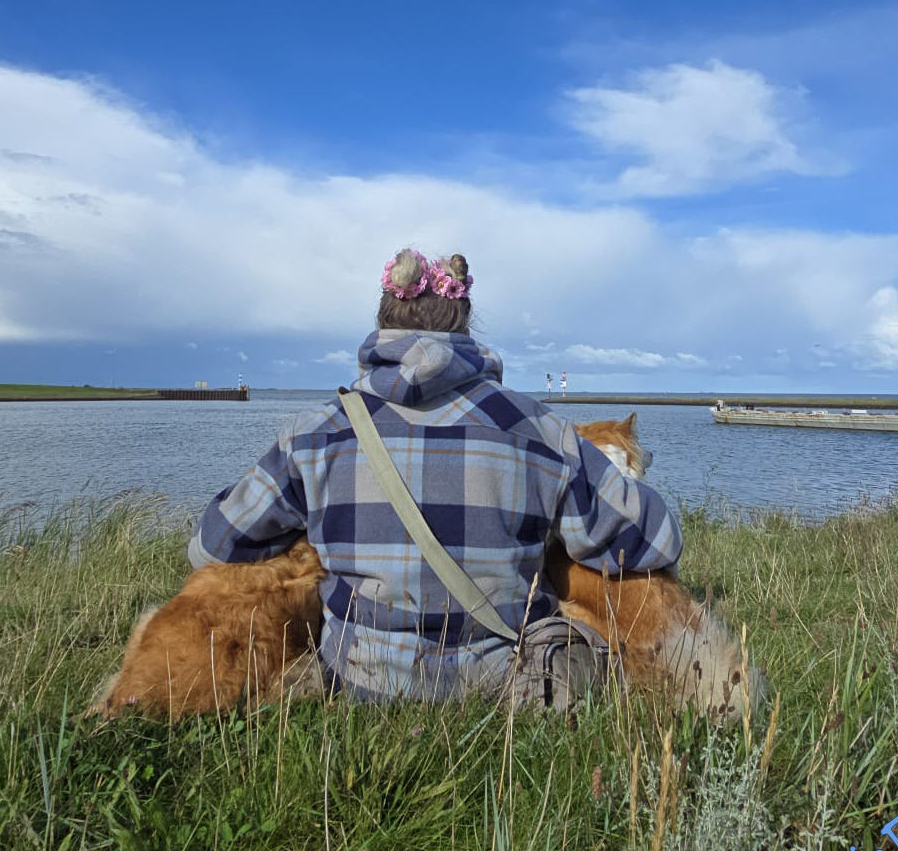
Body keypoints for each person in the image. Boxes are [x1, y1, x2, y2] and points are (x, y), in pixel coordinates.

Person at [188, 247, 682, 706]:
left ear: (382, 326)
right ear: (466, 328)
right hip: (501, 680)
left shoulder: (313, 433)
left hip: (359, 679)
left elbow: (212, 545)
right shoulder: (541, 430)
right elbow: (653, 540)